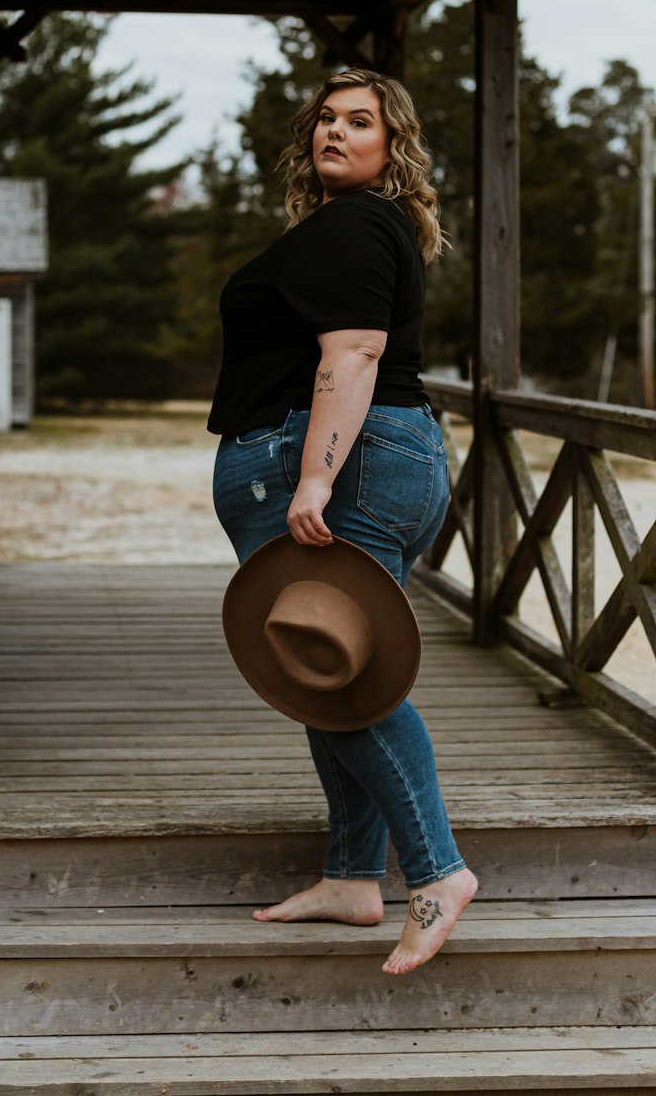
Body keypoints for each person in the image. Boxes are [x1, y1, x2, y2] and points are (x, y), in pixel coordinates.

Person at [208, 67, 478, 975]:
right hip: (376, 459)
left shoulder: (353, 223)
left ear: (392, 146)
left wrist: (315, 477)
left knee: (347, 682)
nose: (335, 131)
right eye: (325, 118)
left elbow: (355, 353)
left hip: (342, 464)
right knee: (329, 662)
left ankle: (437, 874)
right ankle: (354, 878)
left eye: (359, 121)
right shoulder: (365, 225)